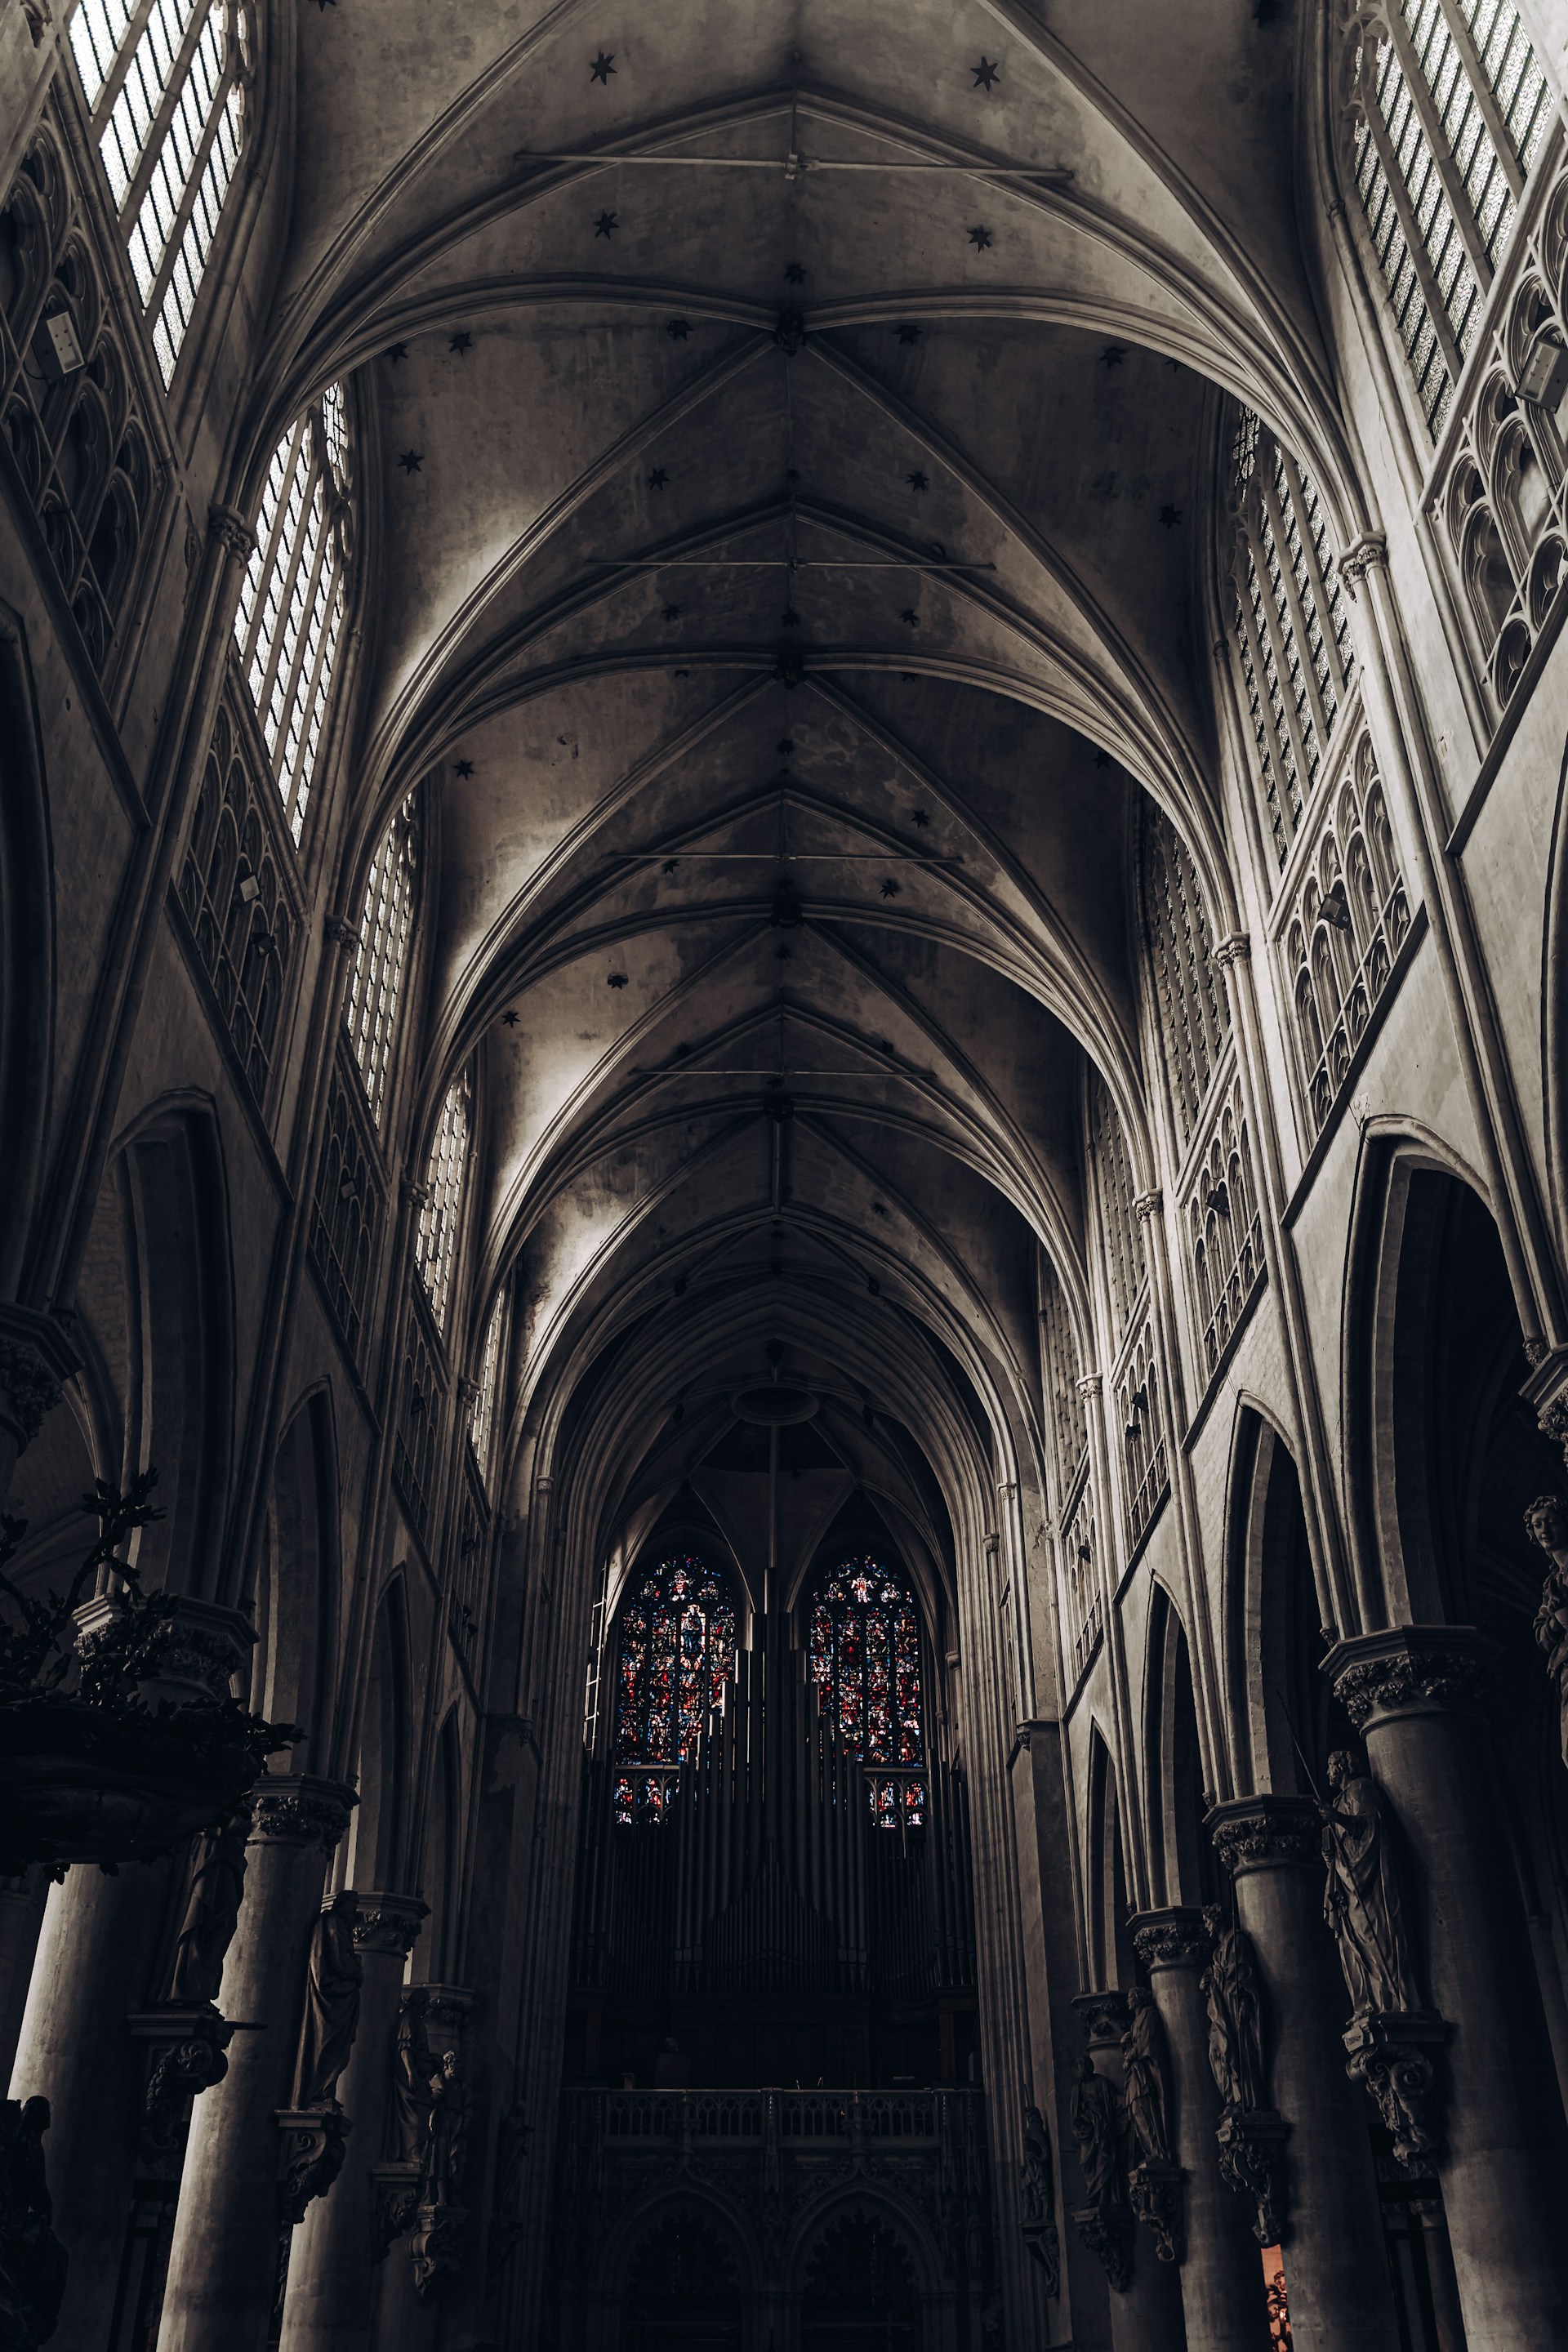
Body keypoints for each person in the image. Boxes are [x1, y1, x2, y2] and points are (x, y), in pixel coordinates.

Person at [1319, 1750, 1418, 2016]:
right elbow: (1342, 1846)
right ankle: (1370, 2004)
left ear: (1342, 1767)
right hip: (1345, 1880)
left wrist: (1338, 1819)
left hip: (1366, 1879)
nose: (1328, 1773)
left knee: (1377, 1935)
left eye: (1330, 1767)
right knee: (1352, 1943)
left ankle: (1393, 2001)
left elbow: (1372, 1826)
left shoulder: (1360, 1788)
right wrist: (1331, 1856)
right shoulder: (1339, 1800)